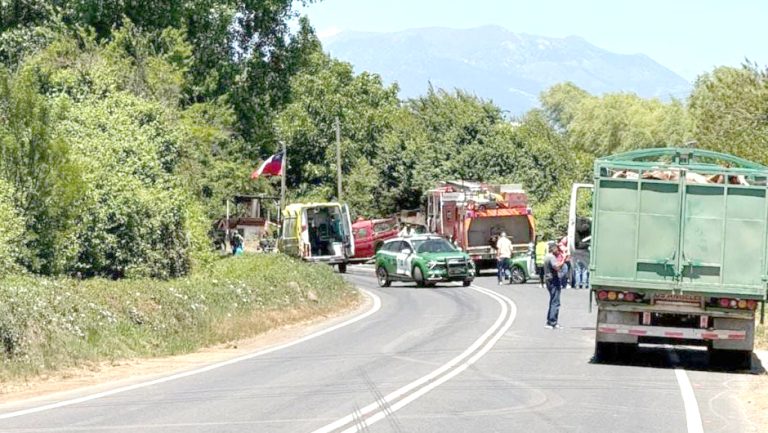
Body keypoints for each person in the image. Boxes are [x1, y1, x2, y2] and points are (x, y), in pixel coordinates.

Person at [543, 242, 564, 329]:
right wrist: (563, 261)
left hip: (548, 279)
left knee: (552, 300)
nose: (557, 250)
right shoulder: (551, 257)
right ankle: (552, 322)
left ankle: (550, 321)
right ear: (553, 248)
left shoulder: (546, 256)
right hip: (553, 280)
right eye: (556, 248)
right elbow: (556, 267)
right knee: (555, 302)